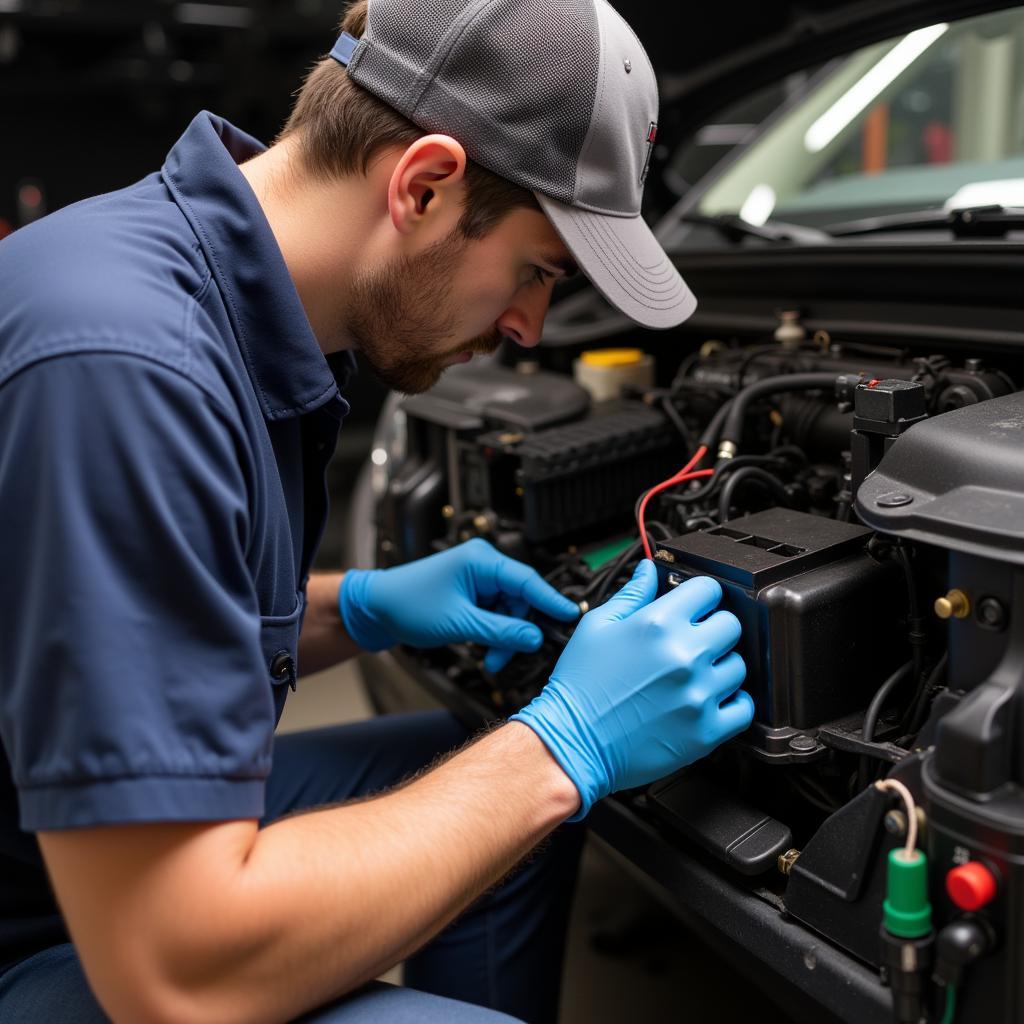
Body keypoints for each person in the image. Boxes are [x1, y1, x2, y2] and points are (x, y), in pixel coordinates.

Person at [0, 1, 755, 1021]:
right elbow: (174, 973)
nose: (531, 326)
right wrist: (559, 744)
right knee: (514, 787)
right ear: (425, 184)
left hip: (54, 831)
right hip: (45, 920)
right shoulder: (129, 369)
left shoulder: (206, 297)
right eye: (536, 270)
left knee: (475, 781)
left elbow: (125, 624)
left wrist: (353, 606)